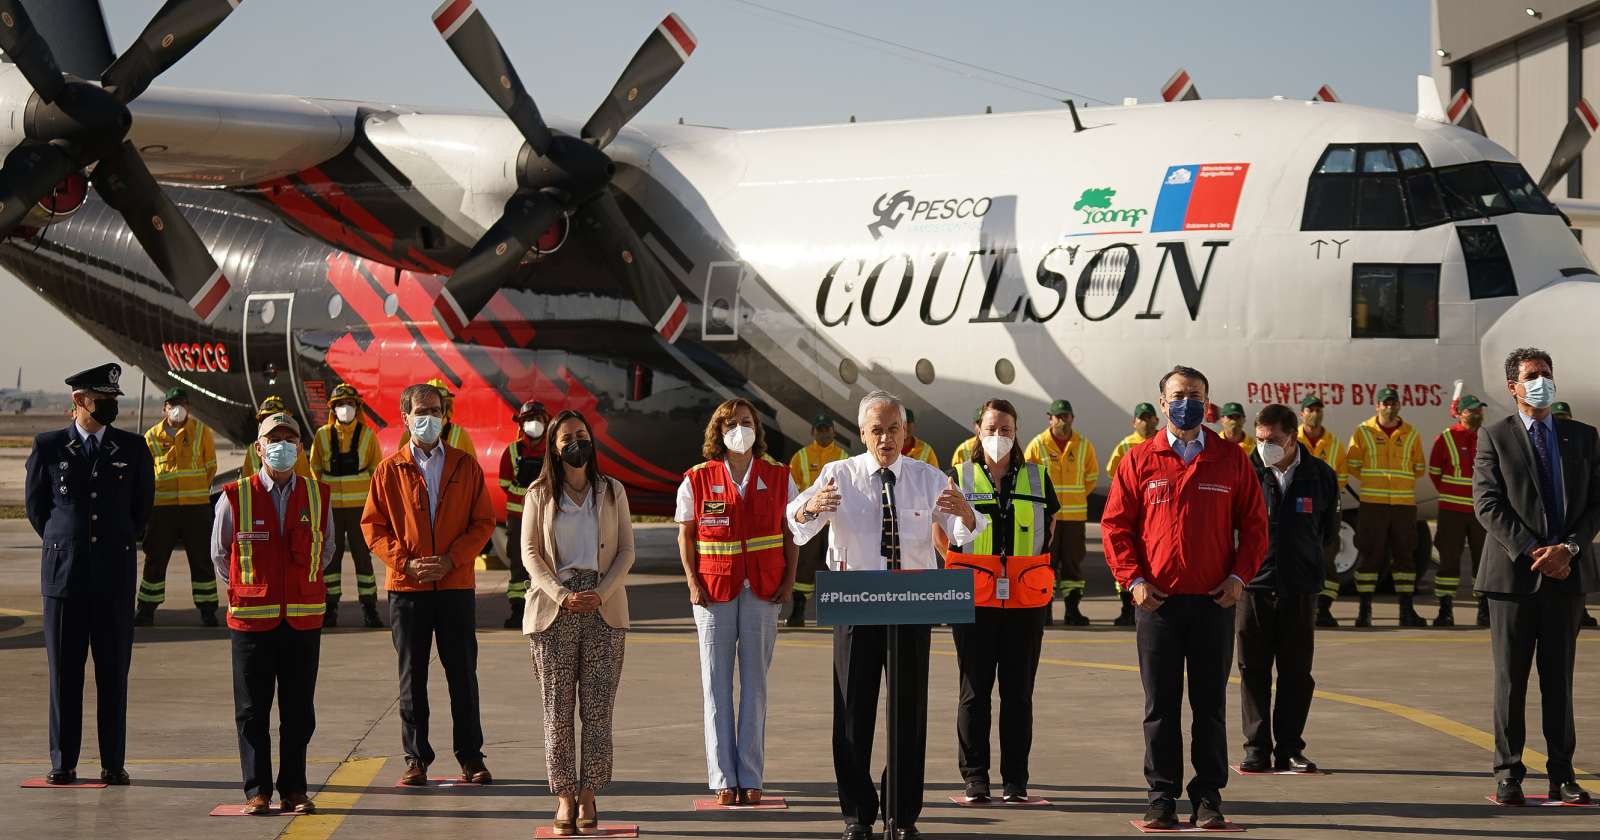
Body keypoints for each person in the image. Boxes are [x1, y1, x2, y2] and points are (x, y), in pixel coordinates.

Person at [788, 390, 985, 840]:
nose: (886, 438)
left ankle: (903, 813)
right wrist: (811, 506)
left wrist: (968, 516)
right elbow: (797, 524)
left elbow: (964, 534)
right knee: (853, 712)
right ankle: (858, 815)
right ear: (861, 433)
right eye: (876, 430)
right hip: (856, 607)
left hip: (913, 609)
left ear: (905, 431)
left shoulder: (927, 477)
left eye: (893, 429)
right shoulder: (839, 474)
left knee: (909, 714)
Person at [1101, 365, 1267, 830]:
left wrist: (1239, 577)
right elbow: (1116, 527)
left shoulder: (1231, 459)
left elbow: (1255, 526)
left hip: (1215, 604)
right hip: (1159, 605)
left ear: (1207, 401)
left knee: (1209, 705)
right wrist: (1132, 580)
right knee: (1161, 706)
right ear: (1162, 403)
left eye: (1194, 394)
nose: (1186, 402)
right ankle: (1161, 795)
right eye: (1178, 394)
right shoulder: (1139, 460)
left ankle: (1209, 795)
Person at [1474, 347, 1600, 807]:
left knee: (1559, 681)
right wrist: (1534, 551)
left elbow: (1594, 505)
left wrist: (1567, 549)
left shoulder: (1582, 437)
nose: (1541, 381)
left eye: (1547, 373)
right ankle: (1508, 773)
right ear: (1514, 386)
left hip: (1568, 574)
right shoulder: (1495, 437)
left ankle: (1562, 774)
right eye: (1532, 375)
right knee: (1511, 680)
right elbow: (1487, 504)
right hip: (1513, 578)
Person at [362, 383, 497, 786]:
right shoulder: (388, 470)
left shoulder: (465, 465)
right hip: (408, 590)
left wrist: (452, 560)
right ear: (405, 418)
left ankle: (471, 758)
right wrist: (406, 564)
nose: (429, 418)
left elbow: (483, 522)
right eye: (421, 411)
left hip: (455, 587)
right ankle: (416, 758)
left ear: (445, 416)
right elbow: (373, 527)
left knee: (463, 676)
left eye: (436, 411)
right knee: (411, 677)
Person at [25, 364, 153, 786]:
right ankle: (63, 761)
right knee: (65, 673)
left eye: (115, 400)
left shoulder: (133, 448)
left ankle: (113, 762)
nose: (111, 406)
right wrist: (68, 542)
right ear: (80, 401)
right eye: (104, 400)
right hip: (65, 580)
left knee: (113, 673)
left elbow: (141, 512)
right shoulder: (49, 447)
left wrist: (111, 545)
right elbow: (38, 510)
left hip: (114, 581)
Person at [211, 412, 335, 815]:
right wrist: (251, 588)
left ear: (300, 448)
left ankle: (295, 789)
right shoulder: (236, 495)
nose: (282, 446)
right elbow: (220, 553)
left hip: (302, 621)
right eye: (273, 439)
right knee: (251, 711)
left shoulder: (318, 495)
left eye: (290, 439)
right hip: (251, 621)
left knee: (299, 711)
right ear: (258, 448)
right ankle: (257, 790)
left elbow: (327, 549)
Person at [676, 399, 799, 805]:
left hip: (763, 590)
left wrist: (789, 582)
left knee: (755, 687)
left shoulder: (780, 476)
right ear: (719, 431)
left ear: (756, 430)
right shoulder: (696, 478)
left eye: (746, 422)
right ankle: (722, 778)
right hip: (713, 593)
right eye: (731, 423)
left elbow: (790, 533)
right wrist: (693, 582)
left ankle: (751, 776)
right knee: (715, 687)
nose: (740, 429)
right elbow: (686, 536)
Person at [520, 409, 635, 835]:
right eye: (566, 437)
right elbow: (530, 553)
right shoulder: (538, 494)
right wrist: (562, 595)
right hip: (556, 608)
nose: (575, 443)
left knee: (598, 708)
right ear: (553, 446)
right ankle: (565, 796)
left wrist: (600, 592)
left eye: (582, 434)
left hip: (602, 605)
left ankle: (591, 794)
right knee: (558, 711)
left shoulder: (612, 491)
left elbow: (627, 550)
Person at [945, 399, 1055, 803]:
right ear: (978, 430)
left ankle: (1016, 779)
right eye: (991, 429)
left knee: (1018, 695)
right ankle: (975, 777)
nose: (998, 437)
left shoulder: (1038, 478)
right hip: (974, 600)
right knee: (974, 693)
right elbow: (944, 534)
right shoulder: (959, 475)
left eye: (1006, 430)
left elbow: (1051, 531)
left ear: (1016, 432)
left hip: (1025, 602)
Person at [1237, 404, 1339, 775]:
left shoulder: (1320, 476)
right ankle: (1256, 746)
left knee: (1296, 672)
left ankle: (1290, 748)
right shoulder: (1244, 473)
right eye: (1260, 439)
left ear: (1292, 438)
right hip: (1254, 587)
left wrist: (1305, 563)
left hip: (1299, 588)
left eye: (1273, 440)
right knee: (1253, 669)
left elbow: (1328, 533)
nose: (1265, 447)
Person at [1345, 387, 1428, 627]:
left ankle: (1406, 610)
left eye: (1393, 403)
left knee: (1405, 558)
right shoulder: (1364, 431)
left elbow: (1419, 467)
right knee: (1370, 557)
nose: (1390, 407)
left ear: (1399, 405)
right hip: (1373, 504)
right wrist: (1376, 482)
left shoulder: (1410, 433)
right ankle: (1364, 611)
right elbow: (1353, 464)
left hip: (1403, 505)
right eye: (1385, 403)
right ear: (1377, 406)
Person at [138, 386, 220, 626]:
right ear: (164, 408)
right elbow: (145, 473)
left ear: (188, 408)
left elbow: (210, 468)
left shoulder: (201, 432)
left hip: (195, 507)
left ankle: (207, 610)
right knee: (155, 559)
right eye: (172, 404)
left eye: (182, 404)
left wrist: (192, 491)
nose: (178, 409)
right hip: (162, 508)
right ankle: (146, 610)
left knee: (202, 559)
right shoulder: (151, 436)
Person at [309, 383, 385, 628]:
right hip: (331, 510)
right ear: (333, 409)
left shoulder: (368, 435)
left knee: (364, 559)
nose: (345, 409)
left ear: (357, 407)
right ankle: (330, 608)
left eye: (350, 404)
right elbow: (314, 472)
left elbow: (377, 472)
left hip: (360, 511)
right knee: (330, 559)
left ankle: (369, 608)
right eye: (340, 405)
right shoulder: (321, 436)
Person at [1023, 399, 1099, 626]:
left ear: (1072, 418)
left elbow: (1092, 476)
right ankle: (1044, 610)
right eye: (1058, 416)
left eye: (1066, 416)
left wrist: (1075, 497)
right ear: (1050, 418)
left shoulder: (1084, 445)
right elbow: (1027, 477)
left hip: (1075, 518)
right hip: (1047, 517)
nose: (1063, 420)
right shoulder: (1038, 445)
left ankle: (1072, 610)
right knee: (1046, 563)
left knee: (1073, 564)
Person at [1428, 394, 1488, 628]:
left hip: (1480, 513)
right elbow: (1435, 472)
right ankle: (1445, 610)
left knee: (1482, 562)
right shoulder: (1447, 438)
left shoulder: (1487, 437)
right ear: (1461, 413)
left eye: (1479, 410)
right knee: (1448, 562)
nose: (1477, 414)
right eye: (1472, 410)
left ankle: (1484, 610)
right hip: (1452, 512)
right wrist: (1452, 494)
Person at [788, 413, 848, 626]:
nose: (824, 433)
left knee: (835, 562)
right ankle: (798, 610)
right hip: (812, 521)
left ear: (834, 431)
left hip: (834, 520)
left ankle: (836, 610)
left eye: (827, 429)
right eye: (819, 429)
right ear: (813, 432)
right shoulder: (800, 457)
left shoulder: (843, 456)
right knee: (805, 565)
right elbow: (793, 491)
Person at [1106, 401, 1161, 625]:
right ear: (1134, 422)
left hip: (1154, 515)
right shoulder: (1126, 446)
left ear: (1156, 420)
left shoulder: (1164, 442)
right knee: (1128, 557)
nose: (1146, 422)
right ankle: (1127, 606)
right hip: (1135, 512)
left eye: (1149, 418)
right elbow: (1113, 473)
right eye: (1142, 418)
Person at [499, 400, 550, 629]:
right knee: (518, 566)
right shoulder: (512, 452)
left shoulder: (553, 451)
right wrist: (524, 488)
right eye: (529, 420)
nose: (534, 424)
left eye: (538, 419)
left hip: (546, 518)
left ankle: (544, 609)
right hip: (518, 519)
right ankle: (517, 610)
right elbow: (503, 483)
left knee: (546, 564)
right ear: (521, 424)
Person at [1297, 396, 1346, 626]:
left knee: (1327, 560)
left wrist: (1326, 499)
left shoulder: (1333, 443)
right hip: (1297, 510)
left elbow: (1341, 476)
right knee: (1297, 560)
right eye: (1310, 409)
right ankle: (1301, 609)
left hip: (1324, 511)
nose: (1314, 413)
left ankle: (1324, 610)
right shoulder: (1291, 439)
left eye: (1318, 409)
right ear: (1301, 413)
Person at [242, 396, 312, 479]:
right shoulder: (252, 450)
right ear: (258, 448)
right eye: (267, 419)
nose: (274, 424)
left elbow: (304, 481)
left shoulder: (294, 449)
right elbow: (246, 478)